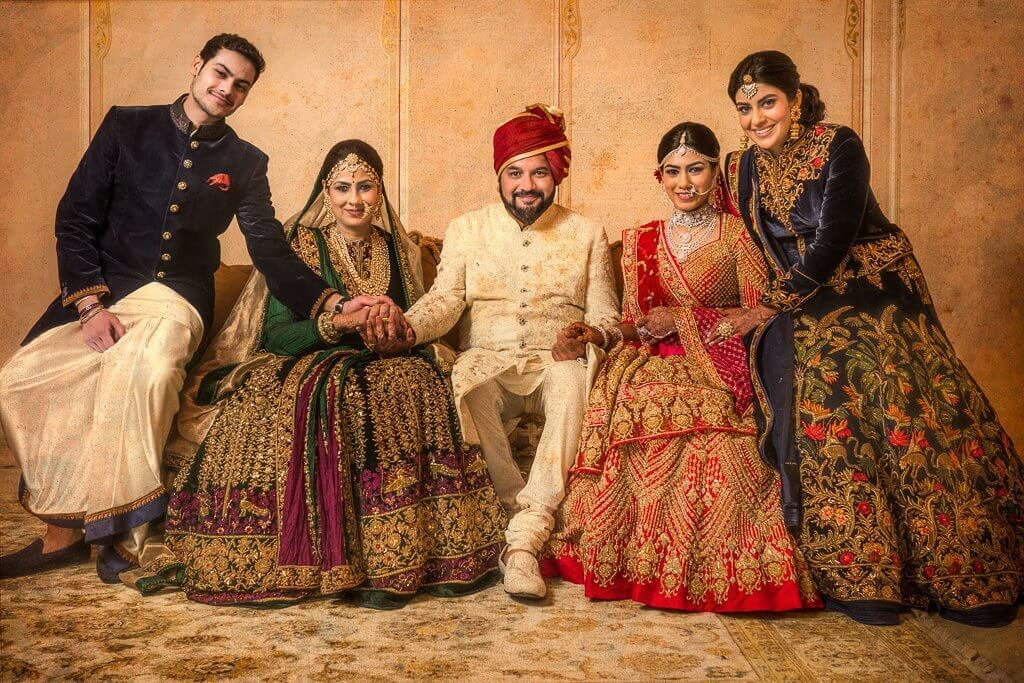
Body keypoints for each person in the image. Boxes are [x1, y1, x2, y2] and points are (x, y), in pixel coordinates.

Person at [0, 34, 349, 583]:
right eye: (220, 73)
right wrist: (90, 305)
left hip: (180, 295)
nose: (226, 89)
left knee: (150, 370)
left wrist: (330, 300)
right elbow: (76, 217)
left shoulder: (246, 162)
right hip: (106, 289)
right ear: (197, 66)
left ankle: (124, 533)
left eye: (241, 85)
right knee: (20, 380)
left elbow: (269, 250)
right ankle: (63, 529)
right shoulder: (126, 125)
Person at [729, 49, 1023, 626]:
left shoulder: (839, 144)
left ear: (795, 100)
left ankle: (964, 567)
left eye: (768, 103)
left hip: (872, 288)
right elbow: (757, 244)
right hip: (802, 299)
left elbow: (835, 236)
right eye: (745, 108)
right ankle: (861, 571)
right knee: (814, 387)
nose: (757, 118)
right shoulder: (743, 166)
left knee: (896, 397)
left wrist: (769, 304)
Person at [143, 140, 506, 608]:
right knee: (343, 393)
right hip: (308, 359)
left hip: (385, 360)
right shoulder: (300, 246)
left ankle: (402, 554)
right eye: (342, 188)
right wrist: (340, 323)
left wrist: (393, 326)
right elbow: (278, 336)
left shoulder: (399, 250)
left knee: (421, 380)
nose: (355, 199)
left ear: (380, 192)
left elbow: (418, 315)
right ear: (325, 193)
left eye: (366, 187)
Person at [541, 122, 820, 612]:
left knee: (718, 438)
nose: (684, 183)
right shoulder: (641, 240)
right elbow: (636, 323)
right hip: (648, 363)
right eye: (673, 172)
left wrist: (684, 320)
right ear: (660, 176)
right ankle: (634, 566)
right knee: (630, 410)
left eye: (696, 170)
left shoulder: (738, 235)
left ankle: (721, 573)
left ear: (715, 173)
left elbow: (758, 315)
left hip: (717, 364)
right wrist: (598, 335)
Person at [399, 104, 620, 599]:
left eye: (539, 173)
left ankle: (523, 540)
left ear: (556, 174)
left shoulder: (587, 232)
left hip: (554, 360)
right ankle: (517, 520)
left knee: (573, 380)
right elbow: (444, 301)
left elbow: (607, 315)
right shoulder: (466, 229)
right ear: (499, 176)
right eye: (515, 173)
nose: (526, 185)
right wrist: (406, 329)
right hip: (489, 358)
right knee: (468, 383)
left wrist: (586, 334)